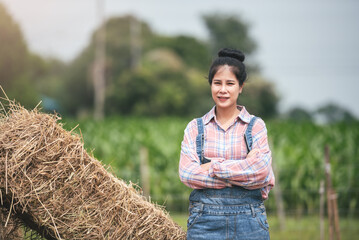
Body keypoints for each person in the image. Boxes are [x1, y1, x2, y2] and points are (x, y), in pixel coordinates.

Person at [179, 48, 275, 240]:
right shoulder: (195, 128)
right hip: (204, 223)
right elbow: (187, 174)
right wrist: (242, 169)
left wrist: (212, 166)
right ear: (210, 85)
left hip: (250, 221)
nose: (223, 90)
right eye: (217, 83)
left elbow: (261, 172)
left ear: (241, 87)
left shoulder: (255, 126)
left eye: (230, 83)